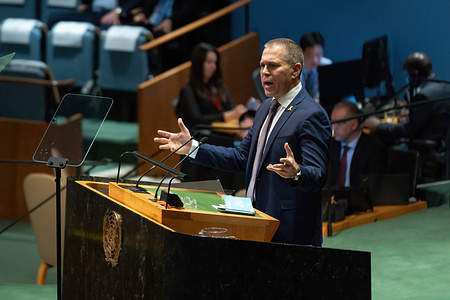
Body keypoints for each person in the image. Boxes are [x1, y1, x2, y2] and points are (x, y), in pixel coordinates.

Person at [155, 38, 331, 246]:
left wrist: (298, 172)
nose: (265, 72)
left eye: (273, 66)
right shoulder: (265, 108)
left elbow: (318, 175)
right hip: (256, 220)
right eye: (262, 65)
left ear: (295, 70)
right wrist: (192, 148)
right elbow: (242, 158)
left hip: (289, 231)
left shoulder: (311, 115)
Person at [362, 52, 450, 182]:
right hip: (441, 146)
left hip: (426, 151)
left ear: (414, 73)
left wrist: (378, 125)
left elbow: (407, 130)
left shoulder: (424, 95)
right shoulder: (445, 87)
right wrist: (412, 115)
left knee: (380, 149)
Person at [175, 42, 248, 130]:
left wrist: (243, 111)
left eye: (215, 62)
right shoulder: (188, 90)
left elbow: (231, 107)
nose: (213, 66)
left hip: (226, 131)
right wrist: (225, 116)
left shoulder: (218, 85)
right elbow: (197, 120)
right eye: (209, 62)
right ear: (198, 63)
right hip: (205, 136)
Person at [330, 101, 386, 187]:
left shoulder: (373, 148)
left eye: (339, 122)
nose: (333, 127)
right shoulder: (330, 145)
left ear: (354, 124)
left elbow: (372, 187)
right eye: (332, 122)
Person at [46, 0, 142, 30]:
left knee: (106, 29)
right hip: (92, 13)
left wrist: (118, 11)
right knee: (53, 18)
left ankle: (97, 69)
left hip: (116, 15)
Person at [299, 31, 332, 101]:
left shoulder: (327, 66)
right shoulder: (293, 69)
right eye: (310, 55)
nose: (315, 60)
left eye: (318, 55)